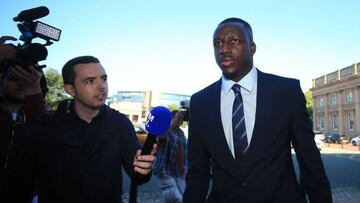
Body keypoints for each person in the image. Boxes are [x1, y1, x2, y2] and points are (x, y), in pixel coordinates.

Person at [183, 18, 332, 203]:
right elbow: (197, 173)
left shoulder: (286, 92)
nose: (224, 49)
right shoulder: (200, 102)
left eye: (234, 41)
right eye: (218, 44)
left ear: (252, 48)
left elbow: (310, 162)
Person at [1, 56, 157, 203]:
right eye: (90, 81)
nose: (101, 86)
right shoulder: (46, 126)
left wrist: (144, 169)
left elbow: (138, 175)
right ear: (70, 89)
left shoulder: (121, 123)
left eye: (104, 78)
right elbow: (21, 184)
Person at [0, 36, 46, 193]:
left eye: (26, 78)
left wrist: (34, 93)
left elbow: (46, 136)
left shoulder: (36, 116)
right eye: (14, 78)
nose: (22, 83)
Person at [154, 110, 187, 203]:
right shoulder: (164, 130)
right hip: (164, 170)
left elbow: (185, 150)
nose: (179, 121)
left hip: (179, 171)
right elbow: (159, 137)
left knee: (184, 196)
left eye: (181, 119)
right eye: (178, 118)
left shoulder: (181, 133)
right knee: (176, 198)